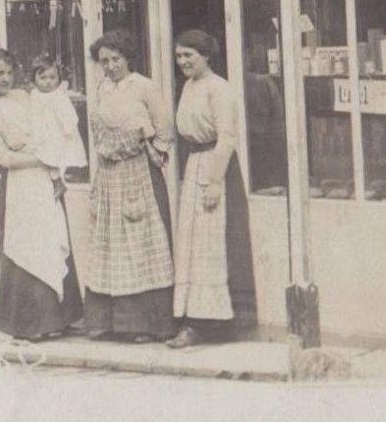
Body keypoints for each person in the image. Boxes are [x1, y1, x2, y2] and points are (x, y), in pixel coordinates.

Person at [0, 47, 82, 342]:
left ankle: (62, 316)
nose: (5, 78)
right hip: (19, 184)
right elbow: (4, 158)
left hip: (45, 178)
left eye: (9, 72)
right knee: (25, 246)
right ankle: (32, 322)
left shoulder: (24, 97)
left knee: (52, 238)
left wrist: (54, 166)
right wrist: (41, 157)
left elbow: (49, 130)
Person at [85, 29, 175, 343]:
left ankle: (148, 324)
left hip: (138, 173)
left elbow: (164, 125)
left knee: (141, 242)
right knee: (110, 244)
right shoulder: (101, 87)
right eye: (104, 61)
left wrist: (154, 151)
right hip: (110, 174)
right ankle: (110, 322)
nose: (110, 66)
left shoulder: (144, 86)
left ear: (128, 58)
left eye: (115, 59)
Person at [168, 29, 257, 348]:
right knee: (193, 244)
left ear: (206, 55)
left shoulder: (220, 89)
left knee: (213, 246)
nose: (183, 62)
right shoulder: (189, 87)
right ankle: (191, 319)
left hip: (216, 166)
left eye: (189, 55)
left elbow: (228, 137)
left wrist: (215, 181)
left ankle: (214, 324)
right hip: (195, 164)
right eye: (179, 56)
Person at [26, 52, 88, 200]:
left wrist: (68, 129)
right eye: (43, 77)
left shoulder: (59, 97)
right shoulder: (33, 94)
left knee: (52, 157)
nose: (48, 82)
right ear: (34, 79)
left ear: (59, 79)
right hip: (38, 132)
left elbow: (69, 116)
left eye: (52, 78)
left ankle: (58, 181)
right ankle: (55, 181)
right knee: (41, 158)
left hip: (54, 134)